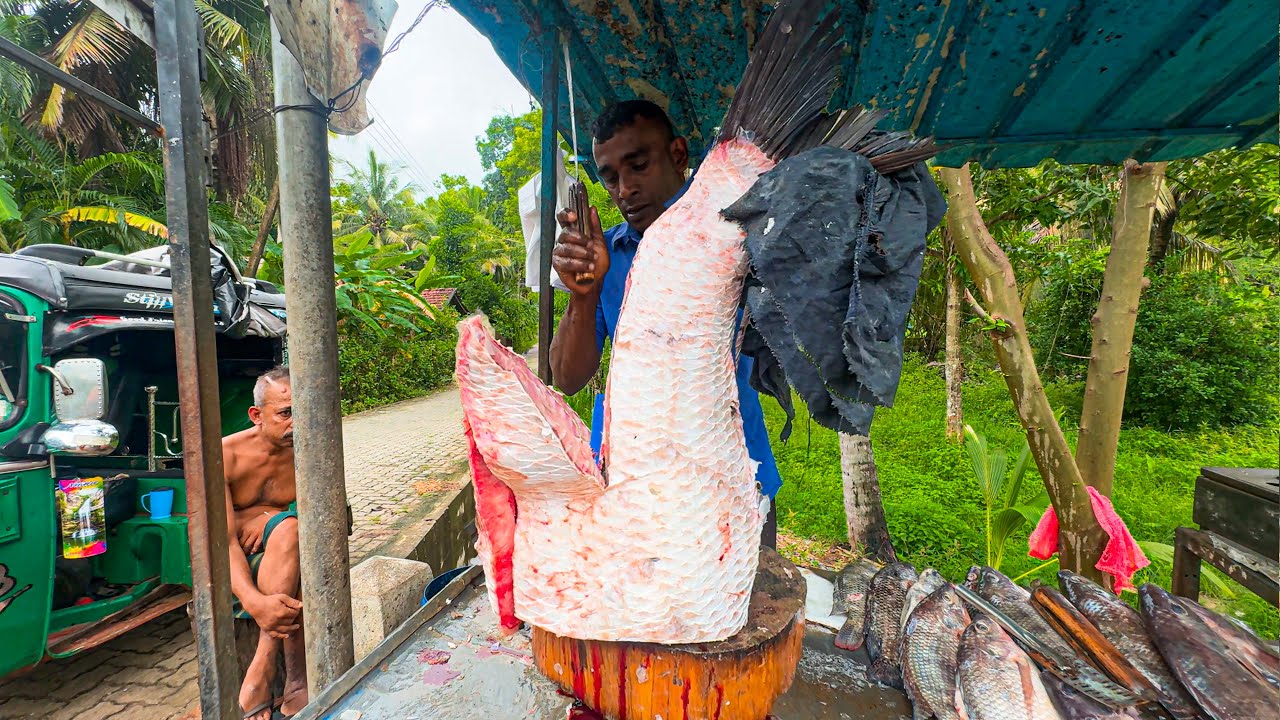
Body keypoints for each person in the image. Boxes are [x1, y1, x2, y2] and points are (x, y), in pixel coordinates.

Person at [549, 99, 781, 547]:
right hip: (633, 482)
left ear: (677, 155)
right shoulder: (607, 255)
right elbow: (568, 377)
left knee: (744, 603)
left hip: (731, 470)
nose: (625, 189)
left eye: (638, 166)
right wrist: (584, 293)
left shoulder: (738, 235)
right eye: (610, 177)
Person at [222, 366, 306, 719]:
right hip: (235, 555)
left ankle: (264, 661)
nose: (296, 422)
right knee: (288, 527)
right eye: (286, 413)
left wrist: (267, 518)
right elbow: (221, 540)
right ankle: (296, 681)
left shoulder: (309, 450)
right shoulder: (228, 454)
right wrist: (254, 602)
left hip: (282, 546)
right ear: (256, 415)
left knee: (289, 528)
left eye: (302, 411)